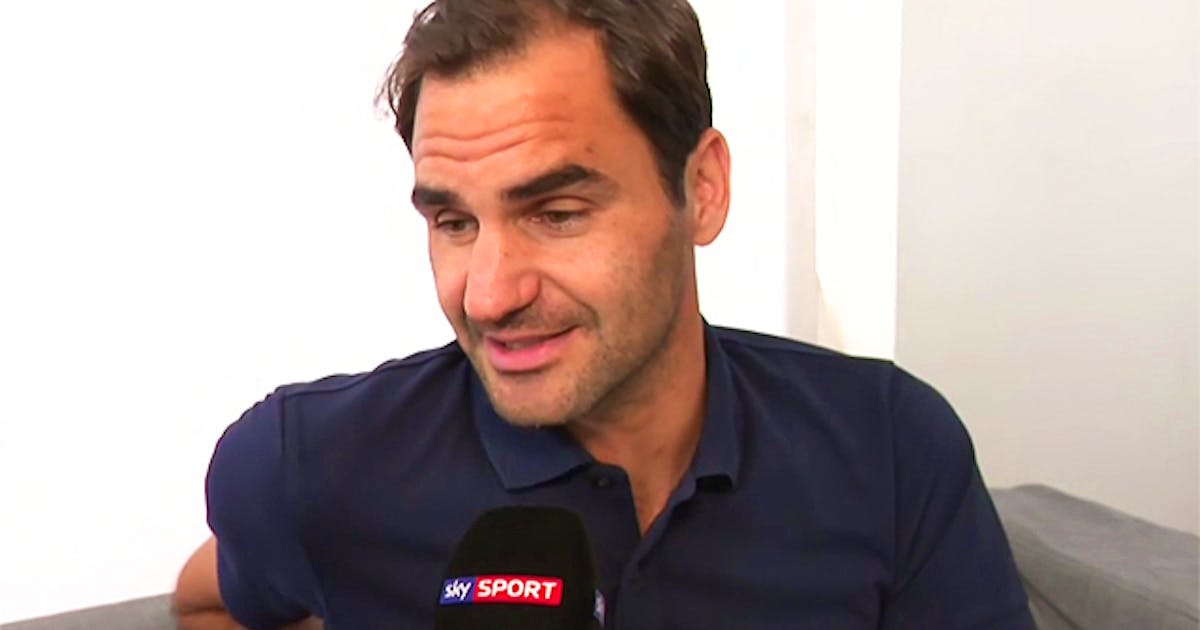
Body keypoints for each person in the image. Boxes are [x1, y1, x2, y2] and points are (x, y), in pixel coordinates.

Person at [172, 1, 1034, 628]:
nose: (488, 295)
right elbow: (207, 600)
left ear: (702, 189)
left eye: (556, 214)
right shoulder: (308, 464)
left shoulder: (890, 447)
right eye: (454, 222)